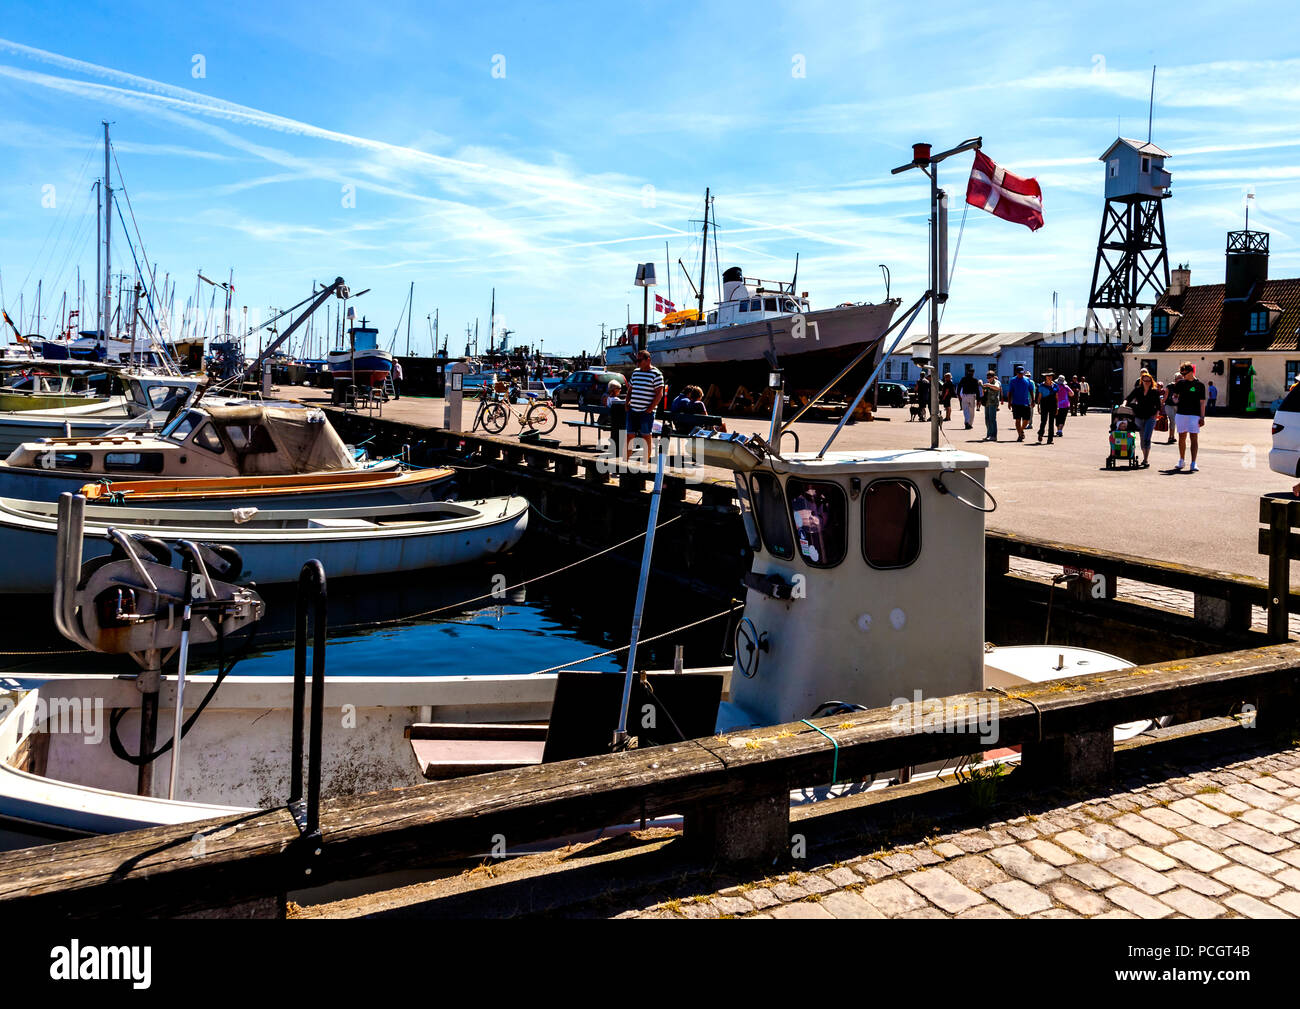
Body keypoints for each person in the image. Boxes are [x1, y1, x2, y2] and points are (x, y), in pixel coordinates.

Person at [624, 350, 664, 459]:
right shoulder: (636, 372)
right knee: (629, 436)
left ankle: (646, 463)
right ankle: (626, 462)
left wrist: (649, 409)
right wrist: (627, 403)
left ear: (648, 360)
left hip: (646, 412)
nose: (638, 363)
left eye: (640, 360)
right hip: (633, 409)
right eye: (637, 360)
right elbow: (630, 390)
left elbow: (659, 394)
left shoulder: (656, 374)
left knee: (646, 436)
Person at [1169, 361, 1207, 472]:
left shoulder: (1200, 385)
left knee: (1194, 438)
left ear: (1191, 372)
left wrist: (1202, 417)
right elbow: (1175, 396)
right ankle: (1181, 460)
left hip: (1194, 415)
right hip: (1181, 413)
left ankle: (1193, 463)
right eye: (1181, 373)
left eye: (1184, 374)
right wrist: (1175, 399)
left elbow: (1202, 402)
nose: (1183, 376)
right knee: (1181, 437)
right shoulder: (1180, 383)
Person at [1125, 368, 1162, 468]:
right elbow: (1128, 398)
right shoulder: (1138, 390)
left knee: (1147, 437)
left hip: (1150, 417)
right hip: (1139, 416)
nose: (1147, 382)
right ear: (1142, 381)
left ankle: (1146, 459)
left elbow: (1158, 405)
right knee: (1142, 438)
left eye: (1148, 381)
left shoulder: (1154, 392)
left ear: (1151, 381)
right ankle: (1144, 456)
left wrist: (1156, 414)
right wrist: (1123, 404)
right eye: (1145, 380)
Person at [1007, 364, 1035, 442]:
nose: (1020, 374)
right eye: (1019, 373)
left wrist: (1033, 400)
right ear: (1016, 372)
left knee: (1026, 420)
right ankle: (1020, 434)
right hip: (1016, 403)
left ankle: (1021, 430)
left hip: (1026, 403)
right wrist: (1009, 403)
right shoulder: (1013, 380)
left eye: (1022, 373)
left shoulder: (1027, 380)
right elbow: (1010, 392)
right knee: (1017, 420)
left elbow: (1031, 390)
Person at [980, 369, 1001, 441]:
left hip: (993, 403)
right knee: (987, 419)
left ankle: (993, 435)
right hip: (987, 403)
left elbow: (997, 387)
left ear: (993, 377)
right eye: (987, 377)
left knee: (992, 419)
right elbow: (984, 391)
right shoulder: (988, 383)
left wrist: (989, 385)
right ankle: (989, 434)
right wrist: (981, 384)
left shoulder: (996, 382)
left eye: (989, 377)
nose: (988, 379)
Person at [1037, 372, 1057, 444]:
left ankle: (1050, 439)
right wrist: (1038, 406)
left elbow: (1056, 397)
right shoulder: (1042, 386)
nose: (1049, 377)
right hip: (1044, 404)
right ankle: (1040, 434)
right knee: (1043, 421)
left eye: (1051, 376)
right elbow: (1039, 396)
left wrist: (1057, 407)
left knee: (1051, 422)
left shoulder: (1055, 385)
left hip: (1053, 404)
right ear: (1045, 377)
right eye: (1048, 376)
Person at [1162, 379, 1178, 444]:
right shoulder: (1170, 386)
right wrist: (1160, 404)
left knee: (1174, 422)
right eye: (1178, 378)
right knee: (1172, 420)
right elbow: (1165, 396)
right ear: (1175, 379)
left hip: (1177, 406)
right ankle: (1170, 437)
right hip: (1169, 405)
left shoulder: (1182, 386)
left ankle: (1173, 436)